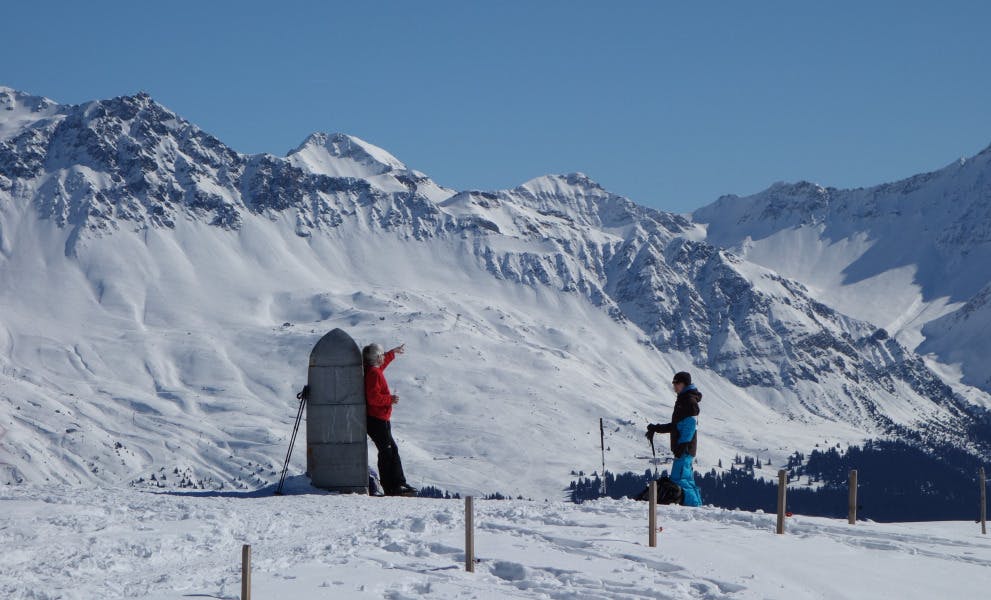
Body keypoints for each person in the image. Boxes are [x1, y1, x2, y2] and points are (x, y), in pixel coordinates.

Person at [363, 342, 417, 497]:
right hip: (377, 419)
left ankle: (398, 483)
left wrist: (392, 353)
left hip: (379, 419)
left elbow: (381, 364)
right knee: (387, 452)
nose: (382, 358)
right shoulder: (373, 373)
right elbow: (373, 398)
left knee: (391, 450)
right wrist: (389, 399)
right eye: (381, 355)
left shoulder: (373, 370)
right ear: (376, 357)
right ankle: (392, 486)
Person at [646, 371, 703, 507]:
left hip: (685, 449)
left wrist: (682, 445)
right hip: (685, 448)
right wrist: (656, 428)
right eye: (674, 383)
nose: (674, 386)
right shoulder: (684, 399)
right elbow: (677, 426)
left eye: (677, 383)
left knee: (679, 479)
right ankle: (697, 506)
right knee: (687, 479)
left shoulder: (689, 400)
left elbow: (690, 424)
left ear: (685, 384)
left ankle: (693, 506)